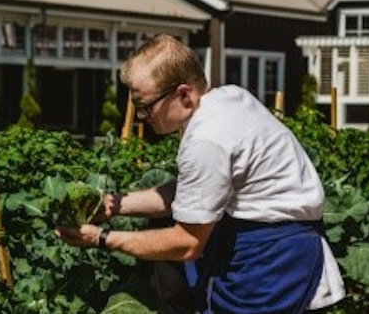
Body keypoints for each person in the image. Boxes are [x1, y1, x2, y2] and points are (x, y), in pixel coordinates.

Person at [56, 34, 344, 313]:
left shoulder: (207, 139)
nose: (142, 117)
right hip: (280, 248)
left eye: (146, 107)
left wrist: (101, 238)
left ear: (184, 94)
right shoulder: (229, 98)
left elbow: (186, 244)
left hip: (270, 262)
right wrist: (115, 204)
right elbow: (192, 192)